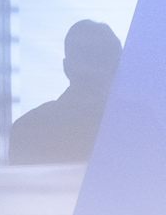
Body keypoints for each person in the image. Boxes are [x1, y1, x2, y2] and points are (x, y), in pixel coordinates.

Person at [7, 20, 123, 165]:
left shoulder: (25, 129)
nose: (91, 71)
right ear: (116, 67)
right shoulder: (135, 124)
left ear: (66, 67)